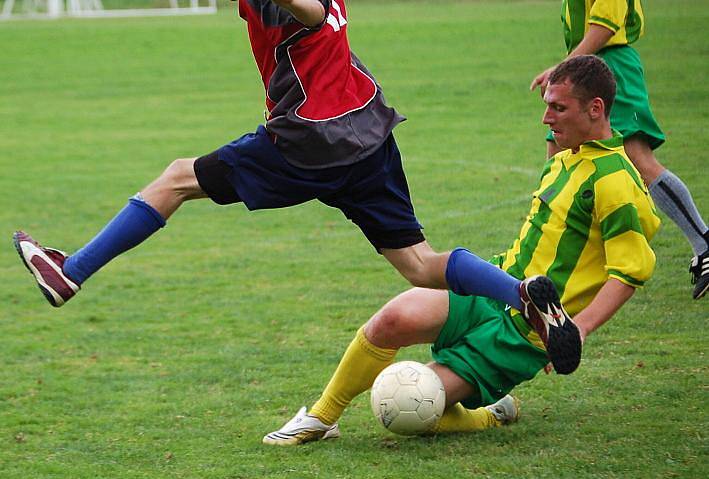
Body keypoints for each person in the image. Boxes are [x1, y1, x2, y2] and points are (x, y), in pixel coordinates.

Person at [12, 0, 581, 369]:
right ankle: (521, 296)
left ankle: (72, 272)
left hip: (308, 143)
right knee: (419, 263)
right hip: (369, 132)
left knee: (176, 180)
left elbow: (303, 9)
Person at [264, 55, 661, 446]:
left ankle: (489, 415)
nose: (546, 119)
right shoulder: (564, 158)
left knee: (409, 404)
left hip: (526, 334)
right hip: (498, 287)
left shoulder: (616, 182)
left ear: (595, 109)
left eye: (559, 108)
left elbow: (630, 271)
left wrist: (577, 329)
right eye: (546, 107)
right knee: (391, 321)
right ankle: (320, 418)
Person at [530, 0, 708, 300]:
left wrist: (563, 69)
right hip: (589, 66)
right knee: (558, 149)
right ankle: (549, 257)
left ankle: (704, 243)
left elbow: (605, 26)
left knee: (638, 158)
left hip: (609, 65)